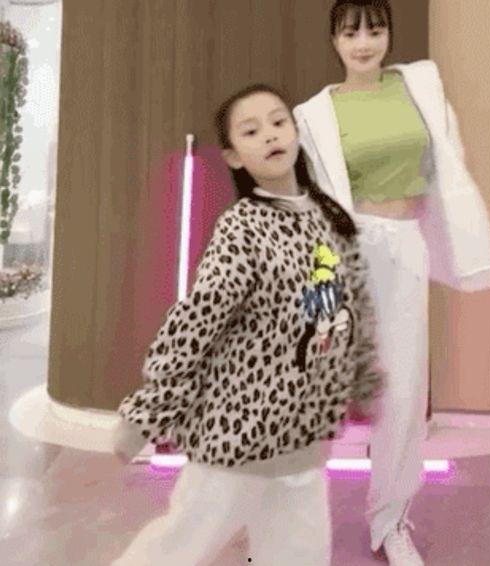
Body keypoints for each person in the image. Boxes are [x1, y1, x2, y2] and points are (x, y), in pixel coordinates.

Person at [110, 82, 386, 566]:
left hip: (305, 435)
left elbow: (353, 308)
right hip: (240, 434)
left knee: (300, 554)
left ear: (296, 132)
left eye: (279, 122)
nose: (271, 135)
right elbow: (198, 319)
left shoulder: (331, 220)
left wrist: (365, 381)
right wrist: (147, 411)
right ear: (234, 156)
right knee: (179, 544)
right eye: (252, 131)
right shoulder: (242, 227)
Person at [293, 1, 490, 565]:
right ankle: (284, 523)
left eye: (375, 30)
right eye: (351, 32)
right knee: (313, 386)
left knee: (403, 393)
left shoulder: (419, 88)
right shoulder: (314, 114)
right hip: (348, 252)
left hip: (405, 244)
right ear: (335, 40)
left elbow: (447, 166)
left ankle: (390, 522)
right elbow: (313, 203)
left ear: (388, 35)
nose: (364, 43)